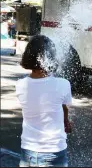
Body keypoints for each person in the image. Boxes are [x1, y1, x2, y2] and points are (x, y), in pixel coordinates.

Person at [16, 35, 72, 167]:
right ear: (51, 56)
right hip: (53, 151)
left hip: (27, 151)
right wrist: (66, 121)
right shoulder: (63, 84)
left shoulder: (20, 85)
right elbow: (63, 106)